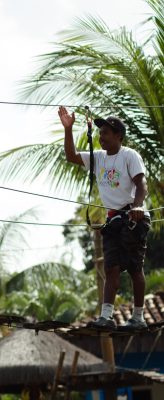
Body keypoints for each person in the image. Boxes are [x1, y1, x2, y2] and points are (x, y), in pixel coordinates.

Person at [59, 106, 150, 330]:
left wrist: (137, 207)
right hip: (113, 220)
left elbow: (141, 184)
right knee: (111, 268)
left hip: (132, 216)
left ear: (118, 135)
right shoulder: (97, 158)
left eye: (106, 133)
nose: (101, 137)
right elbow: (71, 156)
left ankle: (138, 318)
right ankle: (106, 317)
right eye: (99, 134)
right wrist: (68, 129)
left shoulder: (129, 155)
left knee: (135, 268)